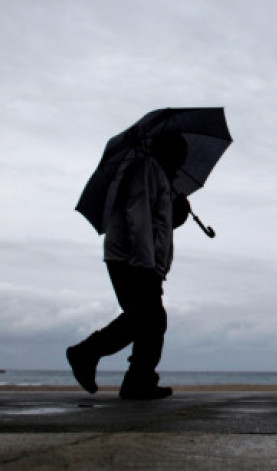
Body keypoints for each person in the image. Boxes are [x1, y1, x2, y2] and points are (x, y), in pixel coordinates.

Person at [67, 132, 188, 400]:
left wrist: (177, 215)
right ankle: (88, 354)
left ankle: (137, 380)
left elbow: (159, 224)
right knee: (146, 317)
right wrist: (145, 264)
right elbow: (139, 215)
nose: (182, 164)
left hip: (143, 260)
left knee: (150, 319)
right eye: (181, 157)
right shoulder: (146, 168)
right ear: (170, 153)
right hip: (131, 258)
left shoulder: (162, 178)